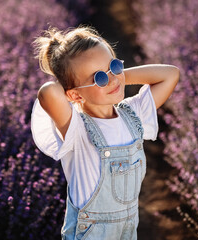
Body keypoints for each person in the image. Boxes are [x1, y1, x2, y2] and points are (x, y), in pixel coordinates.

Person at [30, 26, 179, 240]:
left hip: (126, 232)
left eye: (114, 66)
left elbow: (170, 74)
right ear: (74, 95)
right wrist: (75, 91)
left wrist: (117, 76)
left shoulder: (132, 115)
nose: (111, 79)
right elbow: (48, 92)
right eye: (99, 78)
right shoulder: (77, 129)